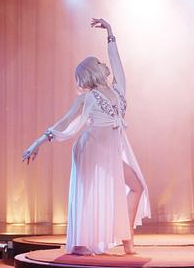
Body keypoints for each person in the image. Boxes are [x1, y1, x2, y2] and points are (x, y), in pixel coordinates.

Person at [22, 18, 150, 255]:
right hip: (90, 147)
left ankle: (127, 239)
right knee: (88, 191)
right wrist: (37, 142)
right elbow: (64, 122)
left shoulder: (118, 89)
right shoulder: (87, 98)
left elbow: (116, 61)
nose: (104, 64)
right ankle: (81, 242)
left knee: (136, 186)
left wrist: (110, 32)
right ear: (93, 71)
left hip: (109, 150)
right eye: (99, 62)